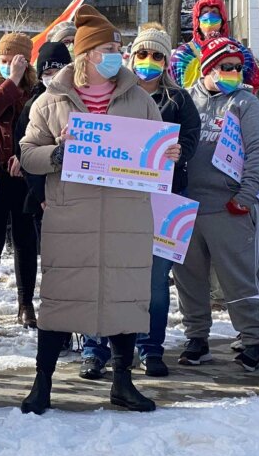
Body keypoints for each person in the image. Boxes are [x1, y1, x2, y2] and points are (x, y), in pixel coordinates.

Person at [19, 5, 171, 415]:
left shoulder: (139, 99)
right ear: (85, 54)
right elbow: (27, 155)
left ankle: (123, 383)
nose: (116, 55)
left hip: (126, 216)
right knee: (60, 300)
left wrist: (166, 153)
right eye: (108, 47)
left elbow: (158, 155)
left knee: (123, 297)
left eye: (119, 48)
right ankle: (42, 383)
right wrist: (58, 154)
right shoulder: (50, 102)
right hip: (73, 217)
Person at [79, 24, 201, 379]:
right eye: (143, 54)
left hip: (163, 203)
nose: (149, 61)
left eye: (157, 55)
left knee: (154, 281)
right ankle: (95, 349)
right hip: (116, 199)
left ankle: (150, 348)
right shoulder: (114, 94)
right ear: (132, 58)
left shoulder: (180, 100)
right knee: (105, 276)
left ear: (167, 61)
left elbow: (191, 139)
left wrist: (180, 152)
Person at [177, 36, 259, 372]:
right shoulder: (186, 100)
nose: (233, 72)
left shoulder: (246, 103)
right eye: (225, 67)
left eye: (237, 67)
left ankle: (253, 338)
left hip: (227, 206)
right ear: (207, 68)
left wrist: (245, 195)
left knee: (238, 278)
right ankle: (197, 338)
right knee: (189, 277)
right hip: (186, 207)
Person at [0, 33, 40, 330]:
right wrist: (10, 80)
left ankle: (25, 304)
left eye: (13, 61)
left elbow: (37, 129)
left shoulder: (36, 90)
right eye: (2, 61)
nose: (6, 65)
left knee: (25, 241)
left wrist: (23, 158)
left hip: (22, 173)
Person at [15, 41, 73, 241]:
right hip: (47, 193)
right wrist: (41, 195)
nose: (53, 75)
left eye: (58, 69)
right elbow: (25, 152)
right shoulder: (34, 104)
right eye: (47, 71)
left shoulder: (76, 100)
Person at [171, 0, 259, 92]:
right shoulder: (183, 54)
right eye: (204, 12)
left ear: (222, 19)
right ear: (197, 20)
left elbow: (257, 87)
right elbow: (172, 90)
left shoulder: (236, 49)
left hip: (234, 104)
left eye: (214, 12)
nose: (209, 16)